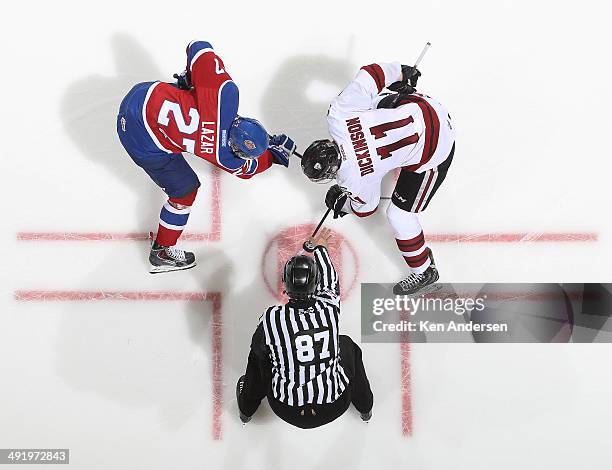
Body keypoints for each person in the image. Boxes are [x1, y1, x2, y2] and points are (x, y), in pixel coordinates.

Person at [117, 40, 296, 273]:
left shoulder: (226, 93)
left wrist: (191, 78)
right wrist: (273, 156)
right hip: (138, 137)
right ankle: (161, 252)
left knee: (189, 92)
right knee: (185, 191)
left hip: (141, 94)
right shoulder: (225, 156)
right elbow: (251, 168)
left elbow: (198, 46)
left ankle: (186, 91)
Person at [301, 61, 455, 295]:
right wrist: (402, 72)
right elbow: (371, 73)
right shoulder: (338, 116)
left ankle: (425, 270)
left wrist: (344, 203)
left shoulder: (352, 178)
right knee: (371, 103)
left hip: (438, 146)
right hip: (426, 107)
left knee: (399, 215)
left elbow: (366, 207)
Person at [236, 228, 374, 428]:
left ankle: (246, 409)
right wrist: (320, 248)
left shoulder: (273, 317)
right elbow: (329, 280)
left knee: (260, 355)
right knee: (347, 345)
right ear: (315, 284)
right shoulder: (328, 308)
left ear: (285, 284)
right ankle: (365, 407)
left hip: (286, 408)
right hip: (334, 404)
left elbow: (258, 347)